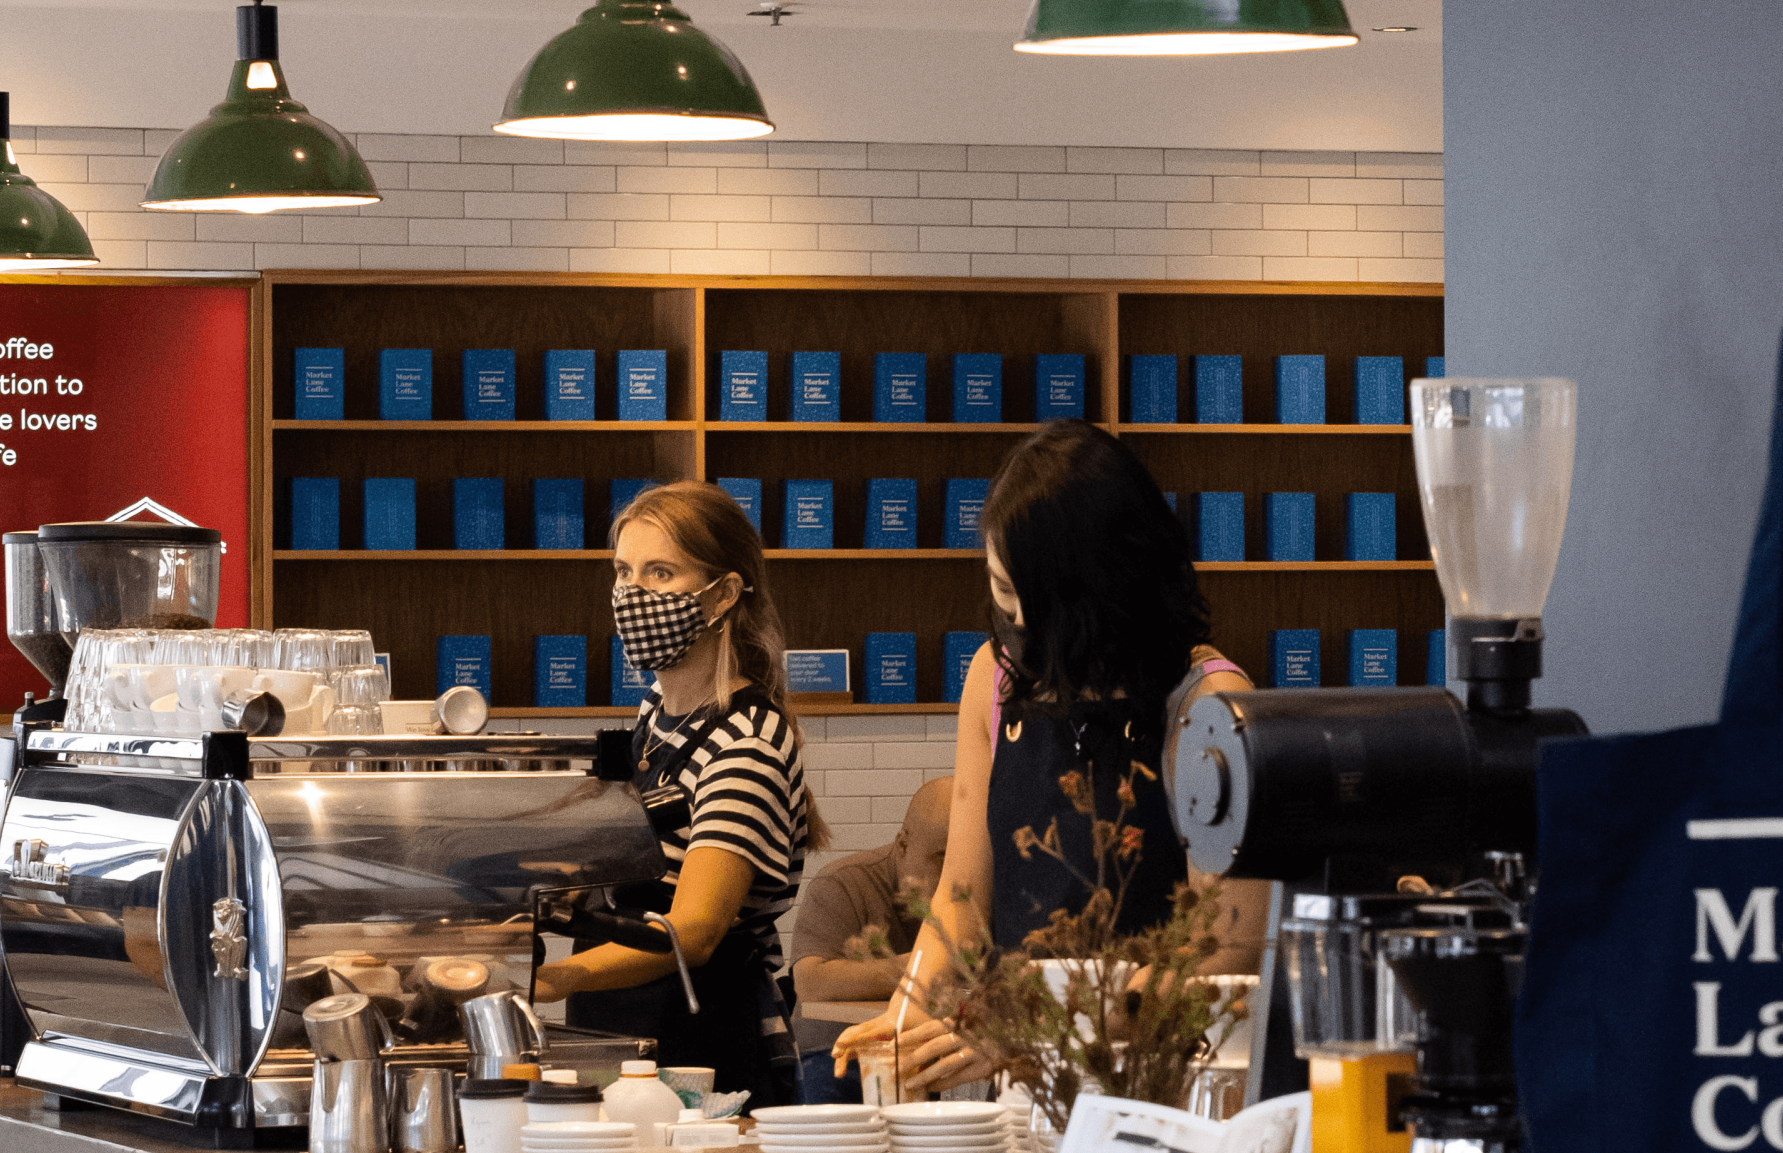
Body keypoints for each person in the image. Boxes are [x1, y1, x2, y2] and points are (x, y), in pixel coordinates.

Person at [834, 421, 1266, 1093]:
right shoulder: (996, 677)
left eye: (1033, 600)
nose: (1018, 625)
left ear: (1101, 588)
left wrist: (1034, 1019)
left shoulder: (1210, 709)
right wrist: (906, 1013)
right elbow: (962, 898)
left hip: (1164, 1087)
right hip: (1025, 1083)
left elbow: (1223, 957)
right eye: (1002, 592)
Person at [531, 482, 825, 1109]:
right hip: (621, 1032)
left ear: (722, 593)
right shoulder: (656, 716)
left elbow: (693, 931)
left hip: (704, 1044)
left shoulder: (747, 740)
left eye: (660, 572)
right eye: (623, 572)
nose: (633, 595)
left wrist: (555, 977)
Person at [785, 776, 951, 1103]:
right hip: (838, 1052)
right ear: (902, 844)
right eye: (941, 859)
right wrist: (925, 967)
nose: (953, 876)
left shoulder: (977, 894)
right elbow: (810, 983)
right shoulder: (843, 884)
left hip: (939, 1049)